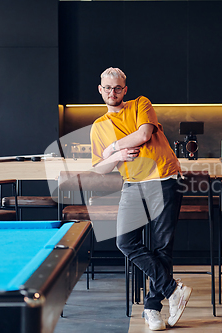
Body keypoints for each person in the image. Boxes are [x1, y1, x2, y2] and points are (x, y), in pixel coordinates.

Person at [90, 67, 192, 331]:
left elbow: (144, 135)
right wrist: (116, 158)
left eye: (118, 88)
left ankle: (152, 309)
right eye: (107, 88)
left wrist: (112, 148)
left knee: (161, 248)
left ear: (125, 89)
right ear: (100, 90)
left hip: (164, 179)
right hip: (133, 185)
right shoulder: (98, 127)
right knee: (125, 242)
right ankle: (173, 290)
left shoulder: (140, 105)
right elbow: (99, 168)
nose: (113, 92)